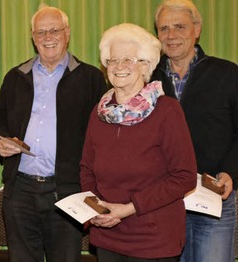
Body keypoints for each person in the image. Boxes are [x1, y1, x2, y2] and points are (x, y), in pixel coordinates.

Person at [0, 5, 108, 262]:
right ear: (33, 37)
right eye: (40, 32)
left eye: (54, 30)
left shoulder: (91, 78)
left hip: (67, 190)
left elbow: (103, 137)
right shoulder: (15, 77)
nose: (47, 37)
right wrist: (3, 143)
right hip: (20, 190)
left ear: (67, 33)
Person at [81, 23, 197, 261]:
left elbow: (184, 176)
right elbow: (86, 168)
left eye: (128, 59)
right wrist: (94, 206)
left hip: (153, 239)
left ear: (146, 65)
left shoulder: (167, 111)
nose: (119, 67)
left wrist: (128, 209)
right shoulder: (99, 112)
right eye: (112, 60)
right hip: (107, 235)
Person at [150, 0, 238, 261]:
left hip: (214, 198)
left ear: (197, 29)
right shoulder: (147, 78)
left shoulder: (228, 74)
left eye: (179, 26)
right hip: (164, 202)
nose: (171, 35)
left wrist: (230, 172)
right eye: (163, 28)